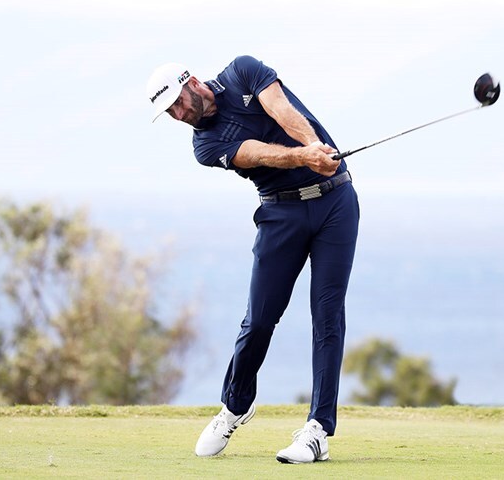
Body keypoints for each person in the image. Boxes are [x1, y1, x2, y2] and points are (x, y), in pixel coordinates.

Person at [146, 56, 360, 464]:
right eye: (170, 112)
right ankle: (235, 406)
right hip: (281, 214)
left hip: (336, 202)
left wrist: (313, 145)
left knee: (327, 316)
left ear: (192, 82)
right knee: (259, 320)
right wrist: (306, 156)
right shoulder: (205, 146)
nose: (178, 114)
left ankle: (318, 430)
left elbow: (281, 109)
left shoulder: (242, 72)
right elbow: (258, 154)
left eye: (178, 103)